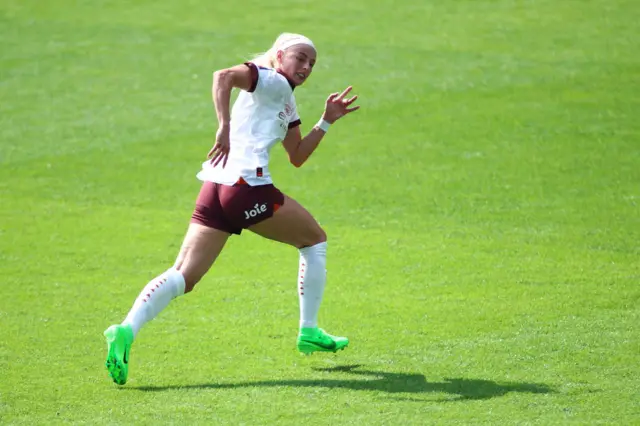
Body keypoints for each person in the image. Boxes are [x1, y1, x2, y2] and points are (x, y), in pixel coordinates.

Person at [103, 33, 360, 385]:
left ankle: (125, 330)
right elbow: (223, 76)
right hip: (246, 189)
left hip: (216, 188)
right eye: (300, 58)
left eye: (312, 63)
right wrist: (222, 128)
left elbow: (297, 155)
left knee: (184, 276)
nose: (306, 67)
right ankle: (309, 330)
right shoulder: (268, 78)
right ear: (280, 55)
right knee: (314, 241)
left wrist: (326, 120)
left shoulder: (284, 97)